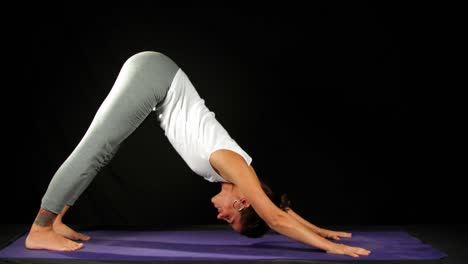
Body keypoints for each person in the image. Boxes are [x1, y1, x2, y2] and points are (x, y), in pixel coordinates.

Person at [25, 51, 371, 258]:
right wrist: (331, 250)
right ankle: (40, 229)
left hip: (156, 78)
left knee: (102, 148)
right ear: (243, 203)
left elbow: (278, 209)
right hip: (154, 76)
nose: (221, 219)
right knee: (97, 148)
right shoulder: (231, 164)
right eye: (231, 220)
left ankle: (54, 220)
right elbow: (275, 218)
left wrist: (322, 231)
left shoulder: (237, 170)